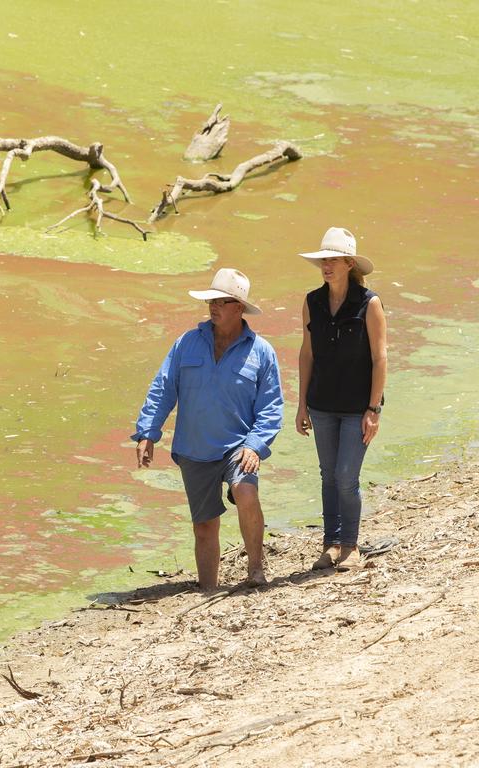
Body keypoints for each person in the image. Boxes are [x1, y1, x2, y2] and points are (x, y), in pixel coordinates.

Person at [133, 268, 283, 590]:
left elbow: (271, 408)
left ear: (239, 308)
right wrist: (148, 432)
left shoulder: (261, 352)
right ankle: (208, 589)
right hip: (194, 448)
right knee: (204, 527)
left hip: (238, 446)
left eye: (222, 301)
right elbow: (163, 388)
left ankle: (255, 571)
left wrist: (255, 446)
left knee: (245, 491)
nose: (213, 307)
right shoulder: (187, 343)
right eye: (211, 300)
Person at [295, 227, 387, 570]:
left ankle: (350, 544)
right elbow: (307, 354)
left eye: (333, 260)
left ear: (349, 263)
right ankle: (330, 544)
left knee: (346, 475)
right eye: (323, 260)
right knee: (328, 475)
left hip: (357, 407)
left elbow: (380, 358)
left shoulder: (369, 303)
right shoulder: (311, 301)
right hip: (321, 404)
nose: (327, 266)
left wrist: (373, 408)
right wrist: (301, 403)